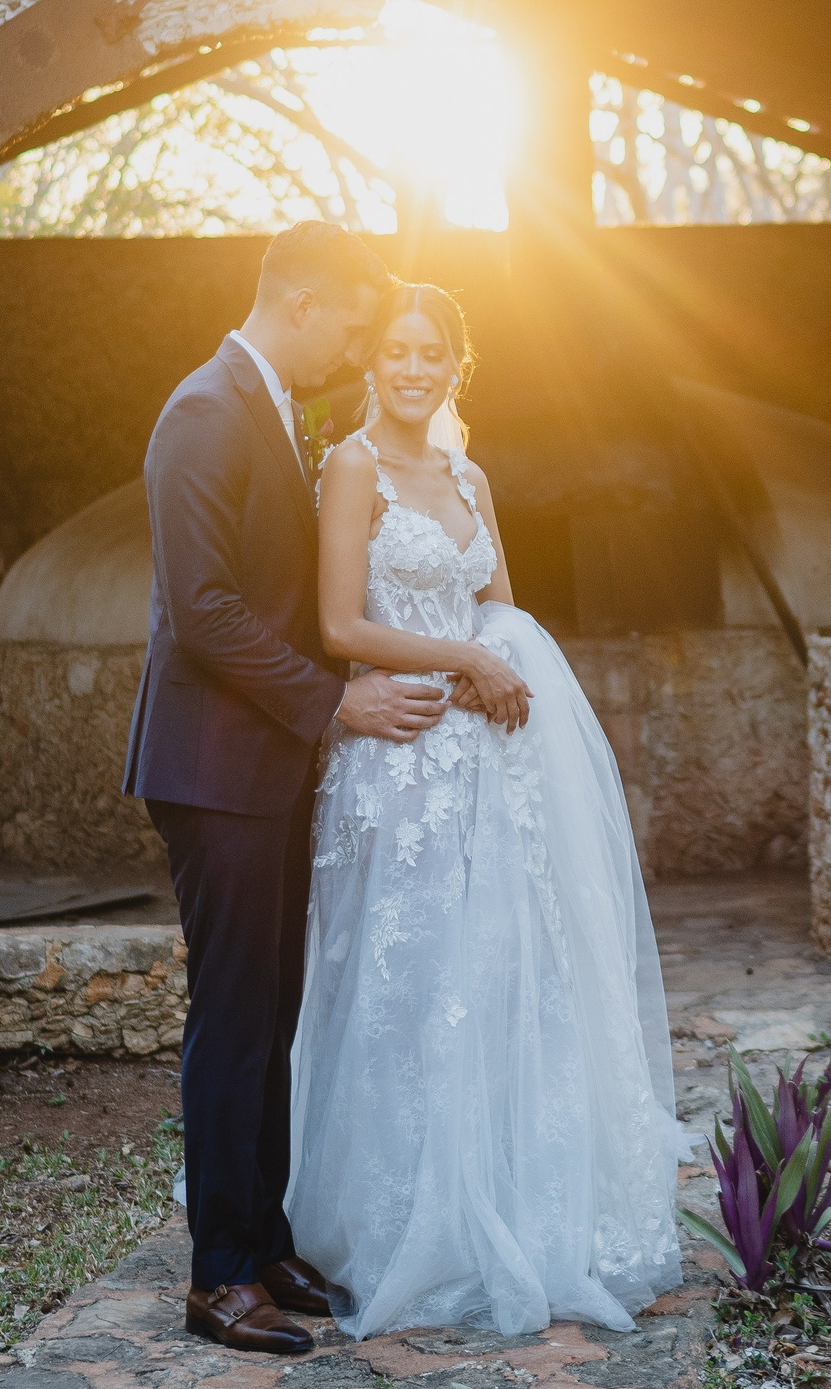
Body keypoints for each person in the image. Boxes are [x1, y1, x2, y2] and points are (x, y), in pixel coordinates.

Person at [287, 283, 683, 1338]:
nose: (413, 369)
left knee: (496, 975)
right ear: (371, 362)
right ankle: (398, 1222)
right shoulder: (352, 467)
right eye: (395, 351)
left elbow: (499, 608)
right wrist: (462, 657)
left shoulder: (471, 476)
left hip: (485, 761)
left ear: (454, 367)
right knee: (410, 984)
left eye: (432, 353)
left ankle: (503, 1203)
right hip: (399, 759)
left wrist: (489, 660)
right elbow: (338, 626)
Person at [123, 221, 447, 1356]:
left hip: (264, 766)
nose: (352, 349)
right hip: (214, 768)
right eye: (351, 327)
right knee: (231, 1019)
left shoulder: (264, 405)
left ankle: (262, 1241)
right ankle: (216, 1274)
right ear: (304, 303)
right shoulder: (203, 411)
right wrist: (333, 703)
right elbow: (203, 611)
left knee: (272, 1013)